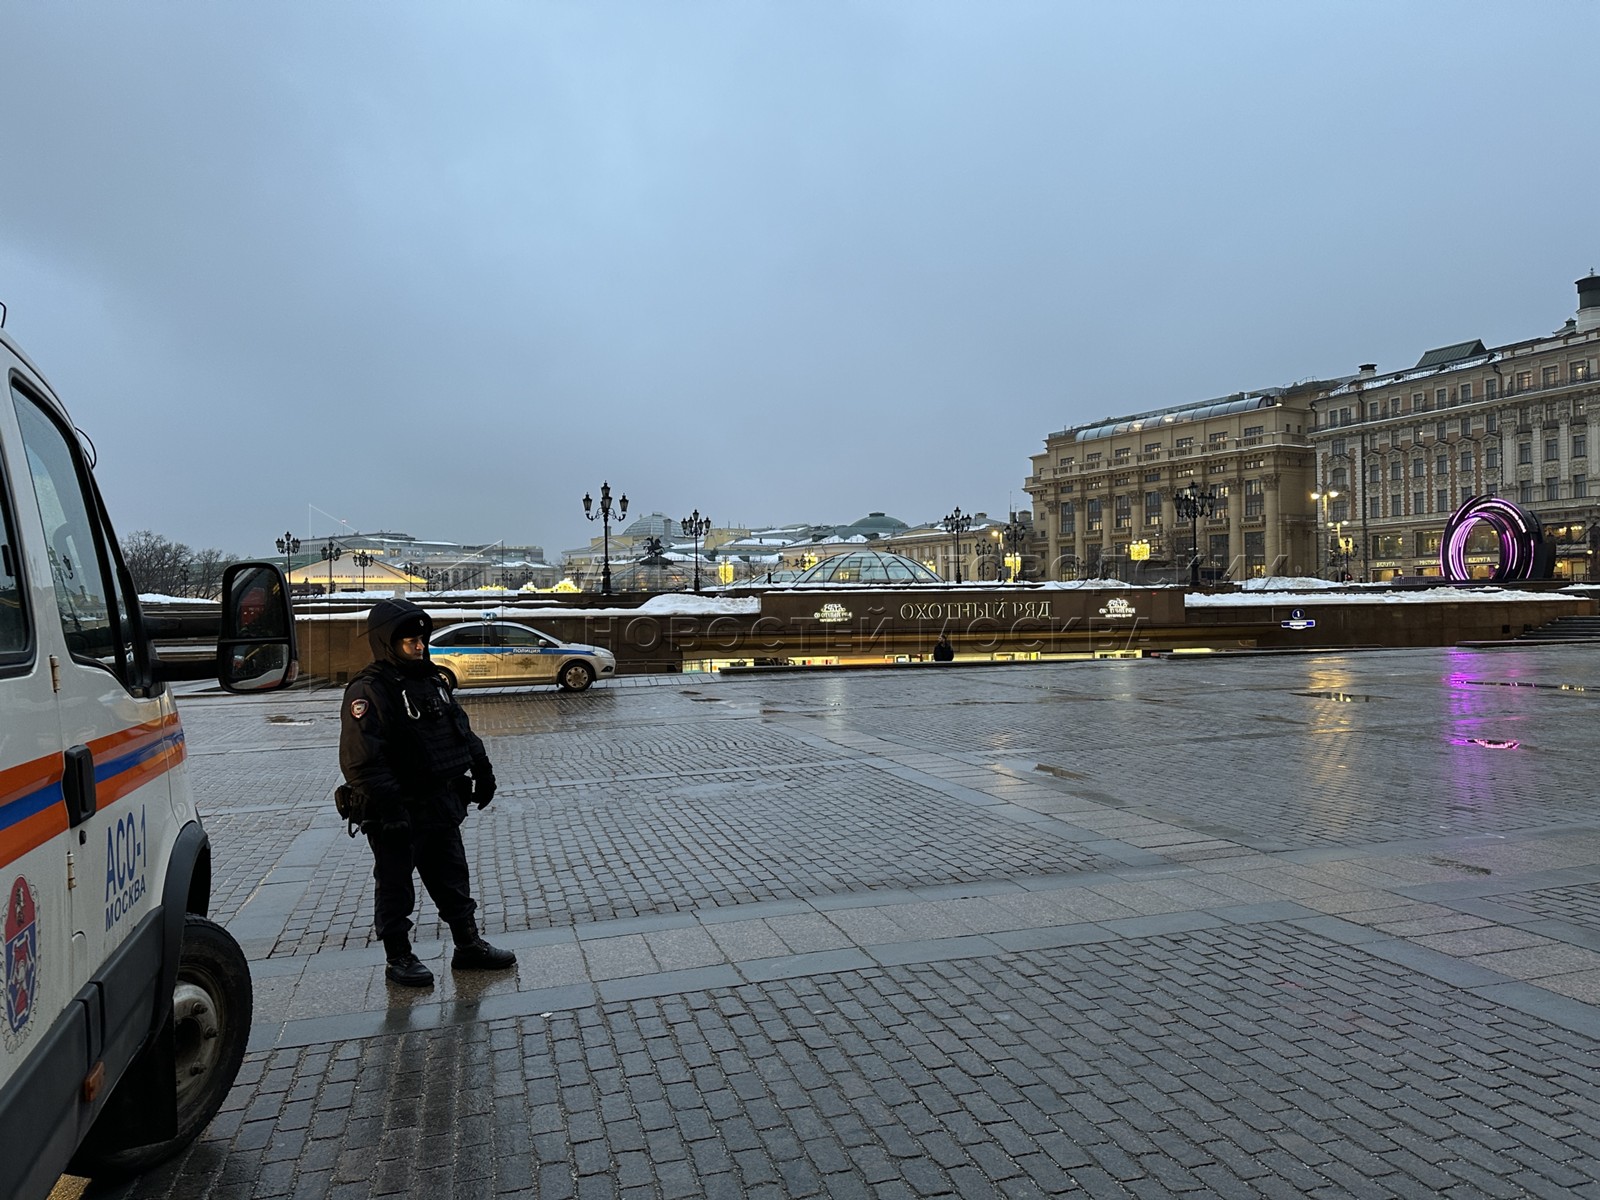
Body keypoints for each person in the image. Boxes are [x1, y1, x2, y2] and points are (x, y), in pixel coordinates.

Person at [339, 597, 515, 987]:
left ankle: (468, 945)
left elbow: (460, 730)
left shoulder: (432, 680)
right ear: (389, 643)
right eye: (410, 642)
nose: (419, 647)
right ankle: (398, 957)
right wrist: (392, 808)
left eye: (422, 639)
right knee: (396, 885)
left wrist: (482, 770)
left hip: (439, 800)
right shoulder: (370, 690)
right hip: (395, 809)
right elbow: (361, 761)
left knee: (452, 876)